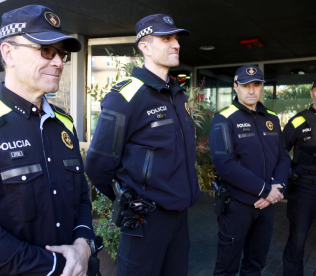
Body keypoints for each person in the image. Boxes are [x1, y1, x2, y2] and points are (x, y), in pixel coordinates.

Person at [0, 5, 95, 276]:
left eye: (61, 53)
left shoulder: (64, 122)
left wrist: (83, 245)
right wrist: (57, 266)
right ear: (8, 53)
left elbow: (81, 196)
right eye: (45, 51)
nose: (58, 62)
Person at [85, 14, 200, 276]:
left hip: (180, 217)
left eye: (177, 38)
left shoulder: (177, 94)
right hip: (145, 220)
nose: (176, 44)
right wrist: (129, 199)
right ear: (145, 47)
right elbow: (97, 165)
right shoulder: (126, 96)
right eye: (166, 38)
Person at [209, 65, 291, 275]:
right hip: (238, 205)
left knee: (255, 265)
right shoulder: (224, 118)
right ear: (236, 87)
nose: (252, 90)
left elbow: (283, 156)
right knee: (227, 268)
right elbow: (224, 164)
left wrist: (276, 190)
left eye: (257, 85)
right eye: (246, 85)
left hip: (266, 207)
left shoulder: (272, 118)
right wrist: (265, 190)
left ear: (262, 86)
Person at [282, 80, 316, 276]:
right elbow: (279, 152)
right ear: (312, 93)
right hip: (304, 190)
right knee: (297, 241)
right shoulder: (298, 120)